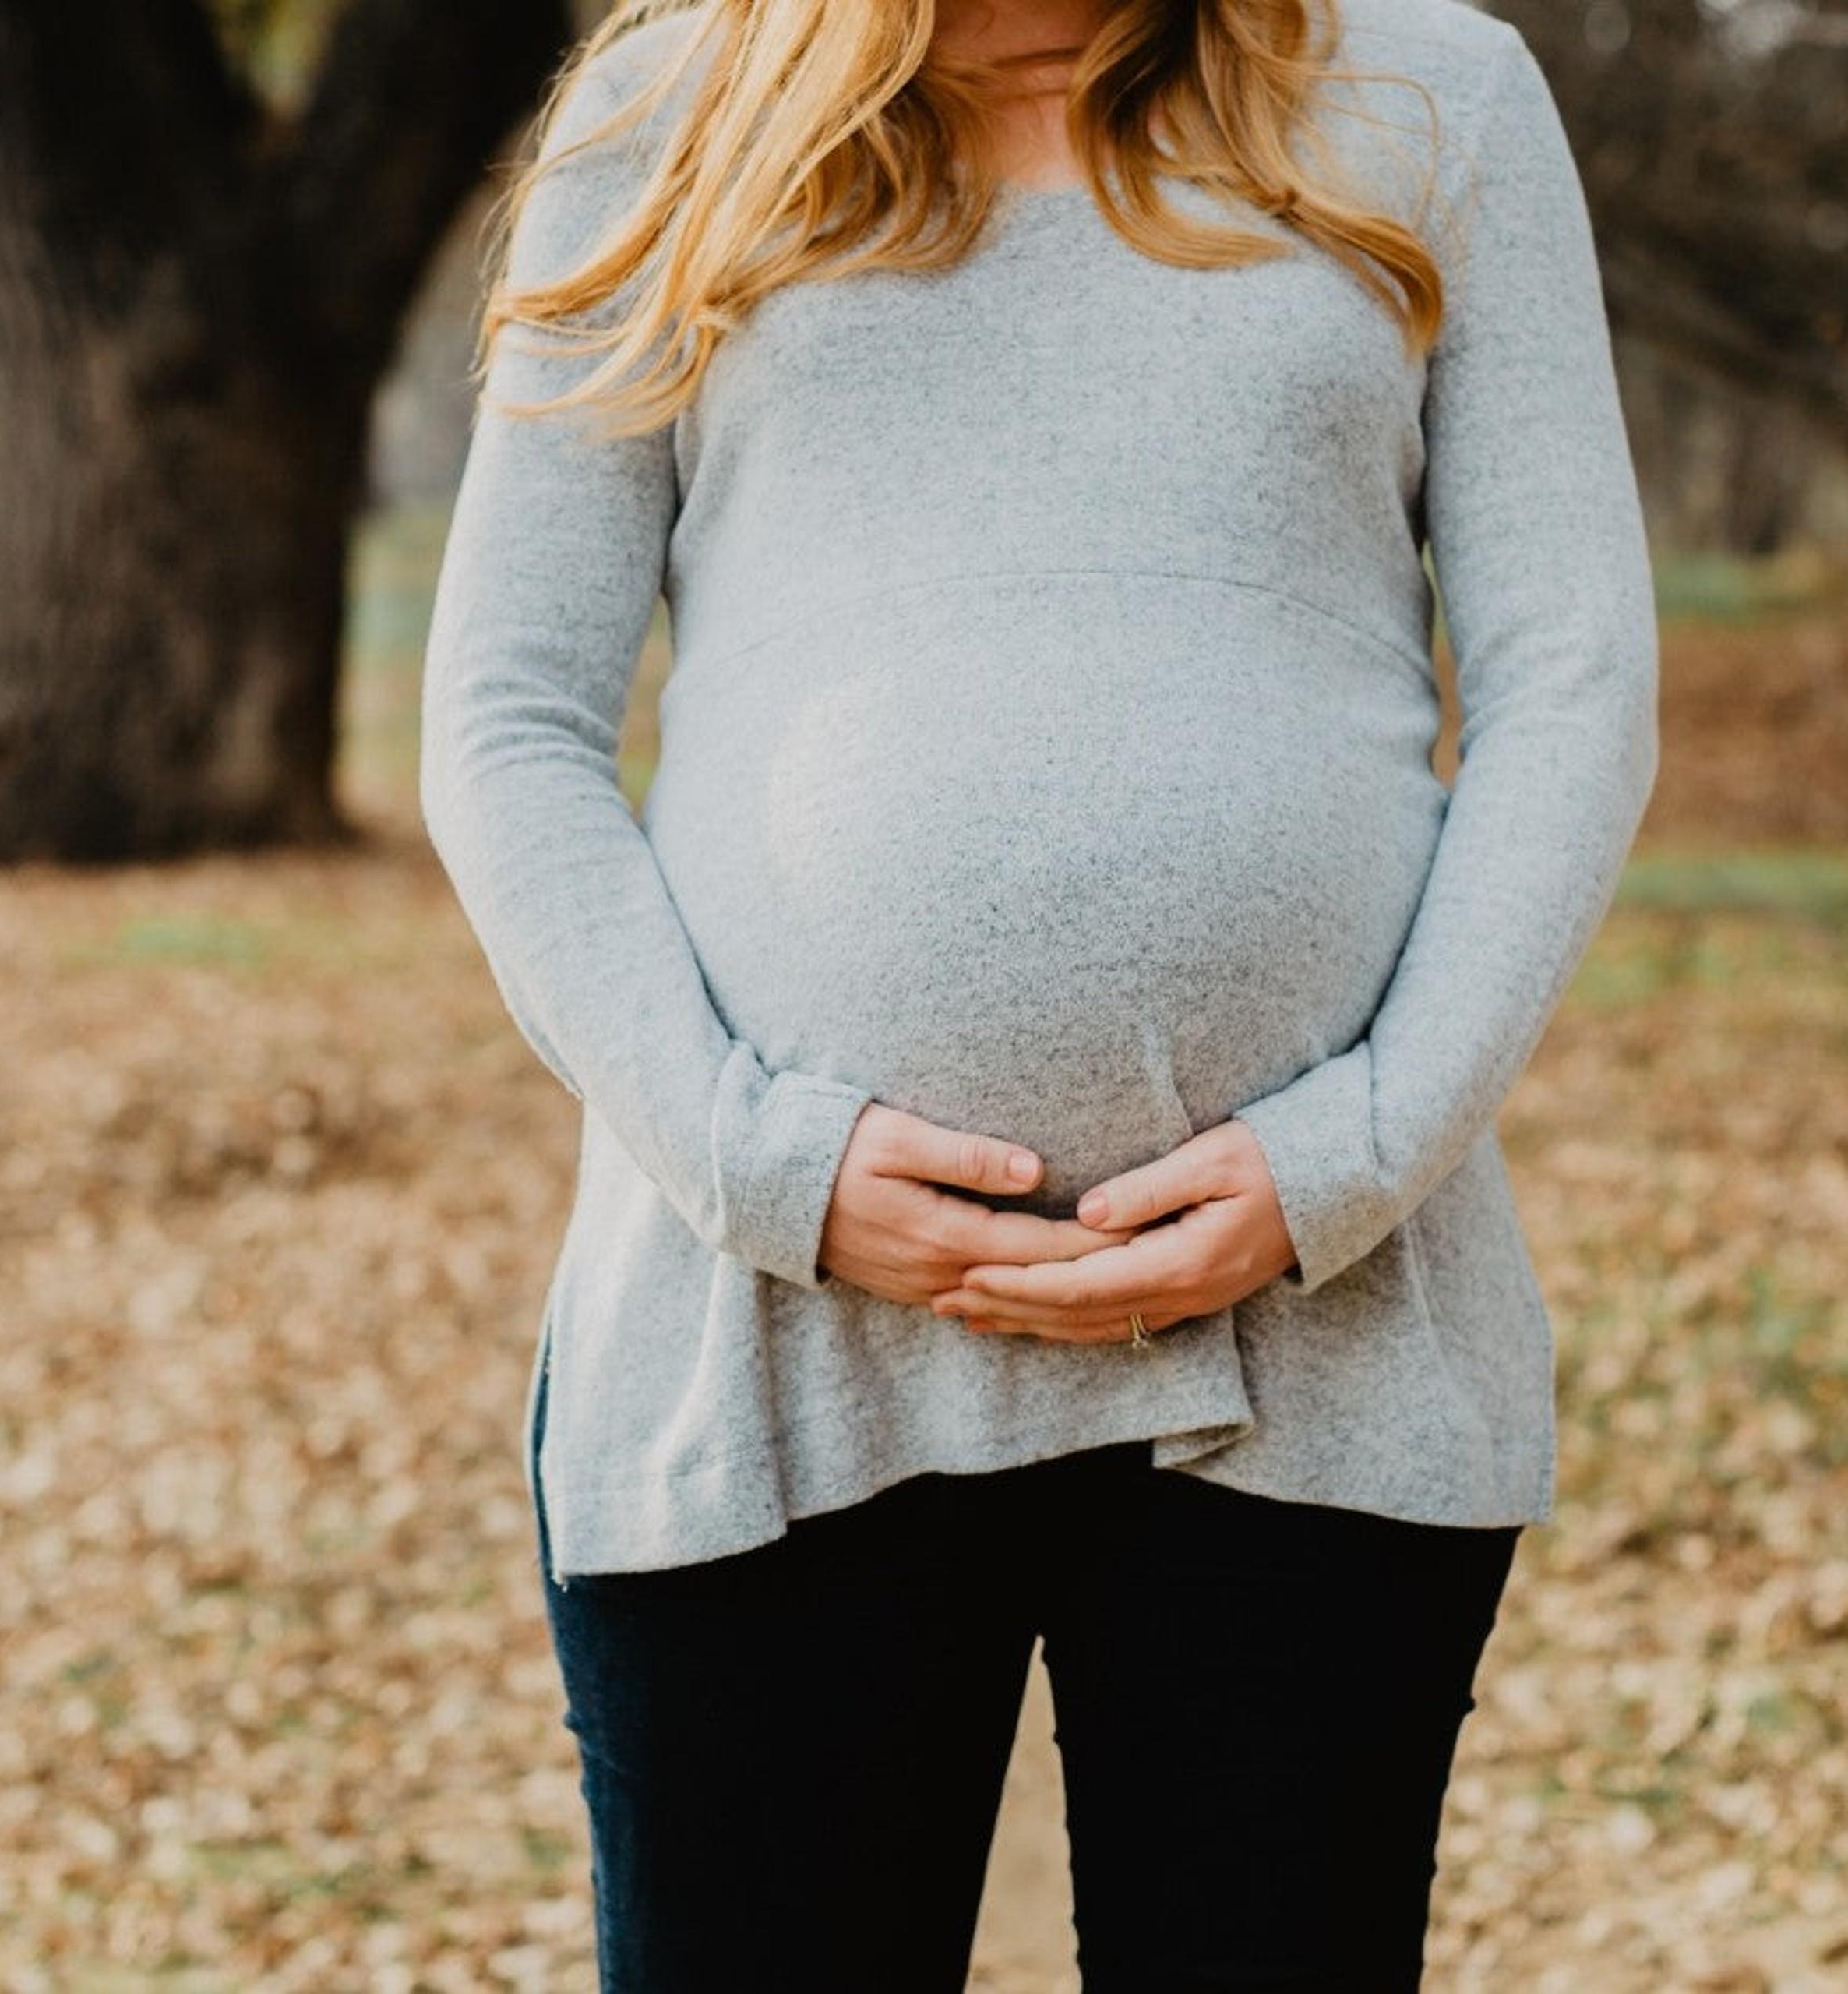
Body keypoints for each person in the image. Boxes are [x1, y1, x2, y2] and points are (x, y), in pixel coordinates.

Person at [417, 0, 1659, 1983]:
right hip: (772, 1346)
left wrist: (1352, 1152)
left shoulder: (1432, 95)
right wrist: (761, 1164)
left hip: (1314, 1353)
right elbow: (505, 718)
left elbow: (1572, 680)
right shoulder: (669, 112)